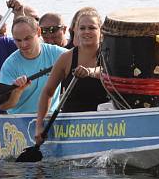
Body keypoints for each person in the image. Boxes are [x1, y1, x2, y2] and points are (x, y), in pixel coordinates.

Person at [35, 9, 109, 142]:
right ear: (76, 31)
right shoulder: (66, 58)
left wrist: (91, 72)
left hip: (105, 124)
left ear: (100, 31)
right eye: (82, 28)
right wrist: (39, 125)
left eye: (92, 28)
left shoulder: (110, 56)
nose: (86, 31)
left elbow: (105, 72)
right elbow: (47, 92)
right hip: (73, 126)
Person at [0, 16, 67, 114]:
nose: (23, 45)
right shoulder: (9, 65)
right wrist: (17, 91)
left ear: (38, 32)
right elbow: (4, 106)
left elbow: (84, 59)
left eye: (27, 38)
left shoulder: (57, 53)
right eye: (18, 40)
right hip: (20, 122)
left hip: (50, 118)